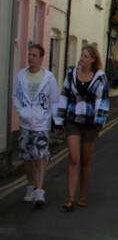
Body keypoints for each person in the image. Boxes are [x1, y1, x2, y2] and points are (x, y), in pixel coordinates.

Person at [57, 42, 110, 211]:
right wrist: (59, 120)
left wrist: (99, 121)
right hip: (73, 121)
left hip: (90, 124)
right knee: (73, 158)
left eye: (85, 57)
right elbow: (64, 96)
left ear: (93, 60)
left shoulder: (100, 77)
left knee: (85, 160)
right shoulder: (71, 74)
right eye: (81, 55)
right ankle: (70, 198)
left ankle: (82, 196)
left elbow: (102, 101)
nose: (82, 59)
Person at [12, 42, 62, 208]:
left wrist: (57, 122)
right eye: (29, 55)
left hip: (41, 123)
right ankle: (31, 185)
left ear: (41, 58)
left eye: (34, 55)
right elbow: (15, 96)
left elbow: (54, 100)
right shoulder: (20, 76)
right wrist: (22, 111)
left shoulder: (48, 78)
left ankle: (39, 191)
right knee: (26, 157)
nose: (30, 58)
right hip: (26, 123)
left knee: (40, 156)